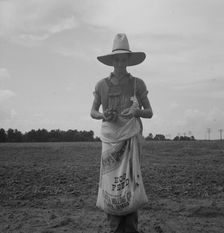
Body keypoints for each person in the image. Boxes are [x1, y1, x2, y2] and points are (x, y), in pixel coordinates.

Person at [91, 33, 153, 233]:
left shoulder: (137, 84)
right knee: (111, 185)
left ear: (128, 60)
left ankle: (132, 227)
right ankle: (114, 227)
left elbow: (150, 112)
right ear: (112, 61)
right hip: (110, 144)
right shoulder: (101, 85)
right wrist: (103, 116)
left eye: (123, 58)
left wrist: (137, 111)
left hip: (131, 143)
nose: (120, 62)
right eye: (116, 59)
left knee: (130, 185)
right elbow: (93, 112)